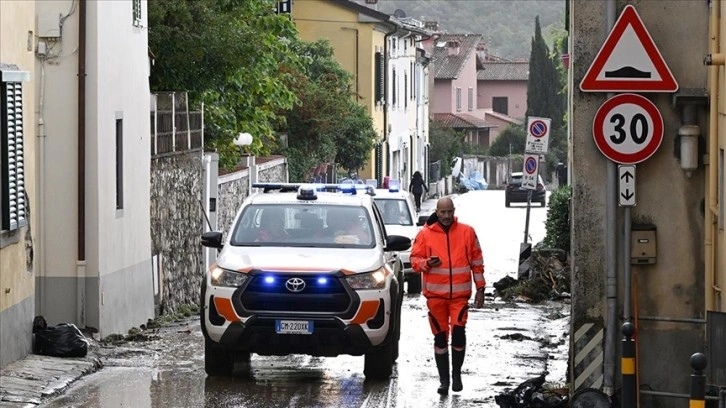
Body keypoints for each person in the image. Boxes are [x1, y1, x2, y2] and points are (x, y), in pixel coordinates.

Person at [409, 196, 485, 395]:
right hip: (435, 298)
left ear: (454, 211)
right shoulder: (424, 234)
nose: (446, 216)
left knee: (459, 333)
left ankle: (457, 374)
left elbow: (477, 261)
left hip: (460, 296)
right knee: (440, 338)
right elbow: (415, 261)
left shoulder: (467, 232)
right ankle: (444, 380)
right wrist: (427, 263)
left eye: (450, 211)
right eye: (443, 212)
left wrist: (481, 288)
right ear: (437, 211)